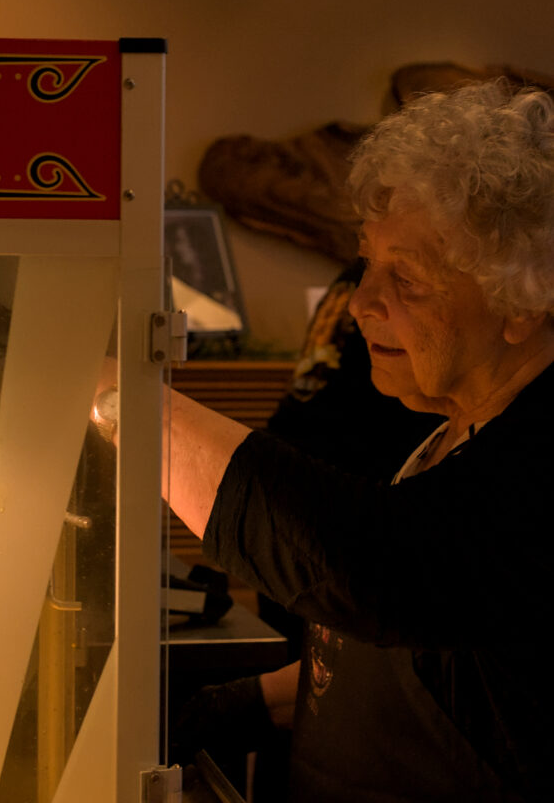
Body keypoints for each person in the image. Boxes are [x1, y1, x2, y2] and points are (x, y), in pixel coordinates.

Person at [165, 79, 554, 801]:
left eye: (404, 278)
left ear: (522, 300)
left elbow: (381, 570)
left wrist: (133, 406)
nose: (361, 304)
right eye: (364, 263)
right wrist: (246, 703)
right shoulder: (449, 433)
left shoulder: (541, 461)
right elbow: (438, 665)